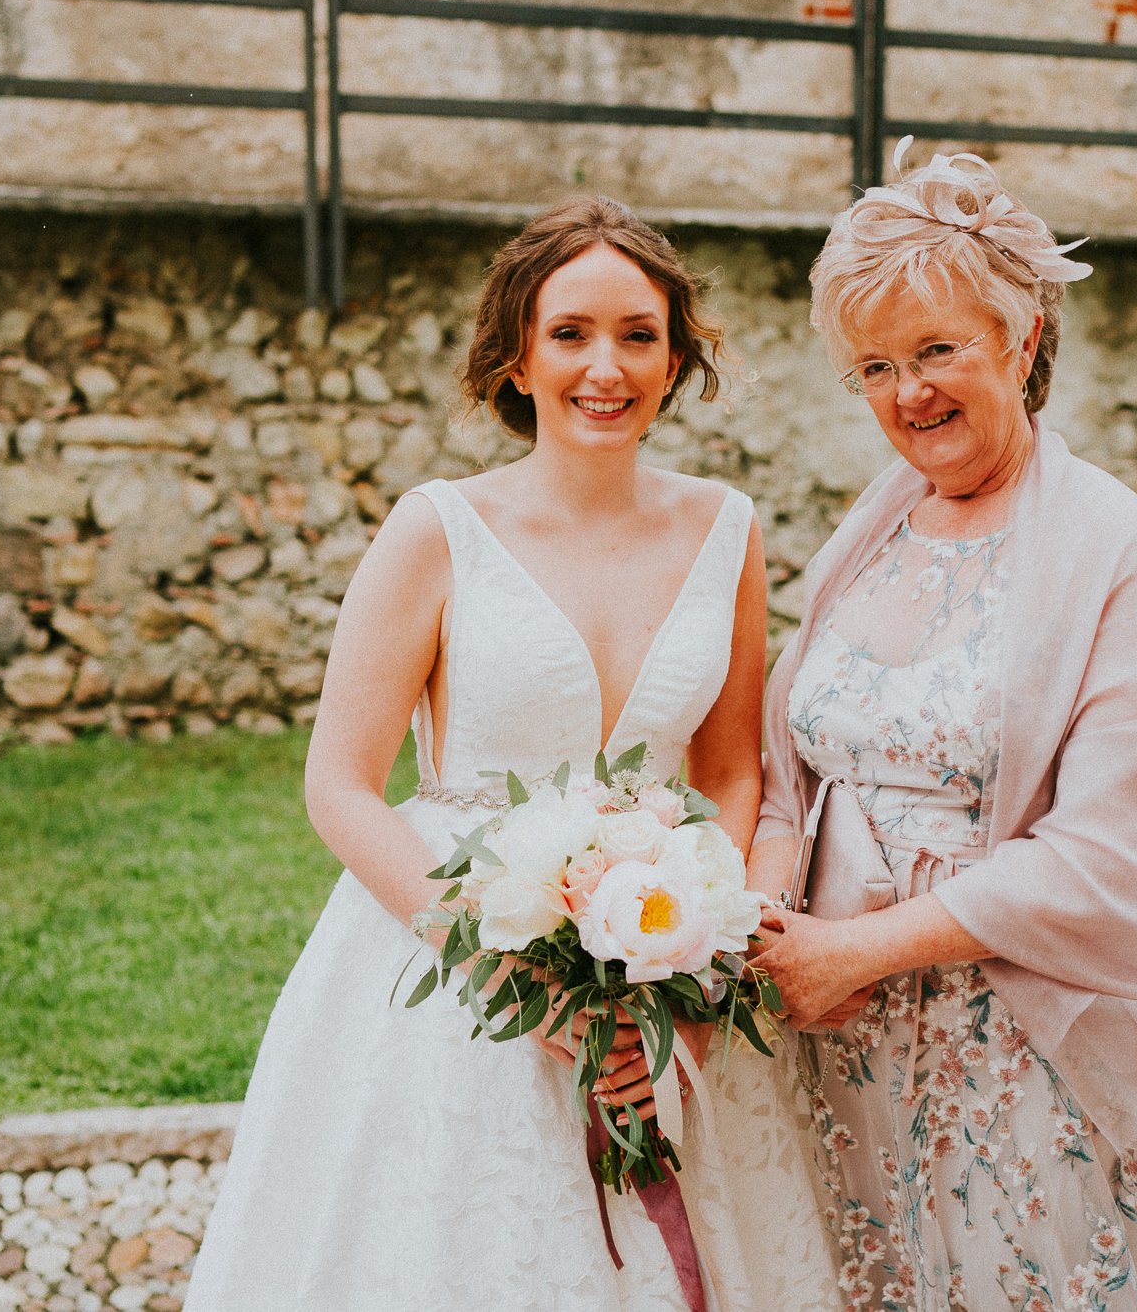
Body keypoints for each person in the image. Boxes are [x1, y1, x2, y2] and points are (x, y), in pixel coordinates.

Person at [186, 197, 839, 1312]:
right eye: (570, 332)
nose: (606, 366)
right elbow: (340, 786)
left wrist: (697, 953)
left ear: (675, 356)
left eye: (638, 334)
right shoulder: (435, 531)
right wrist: (498, 973)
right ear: (518, 356)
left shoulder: (724, 529)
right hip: (455, 957)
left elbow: (731, 774)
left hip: (660, 942)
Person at [745, 143, 1137, 1312]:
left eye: (938, 350)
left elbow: (1110, 860)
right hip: (836, 1045)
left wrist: (857, 950)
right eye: (875, 367)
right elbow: (792, 759)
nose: (908, 395)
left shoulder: (1111, 548)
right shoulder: (875, 526)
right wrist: (776, 919)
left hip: (1017, 1056)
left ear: (1022, 337)